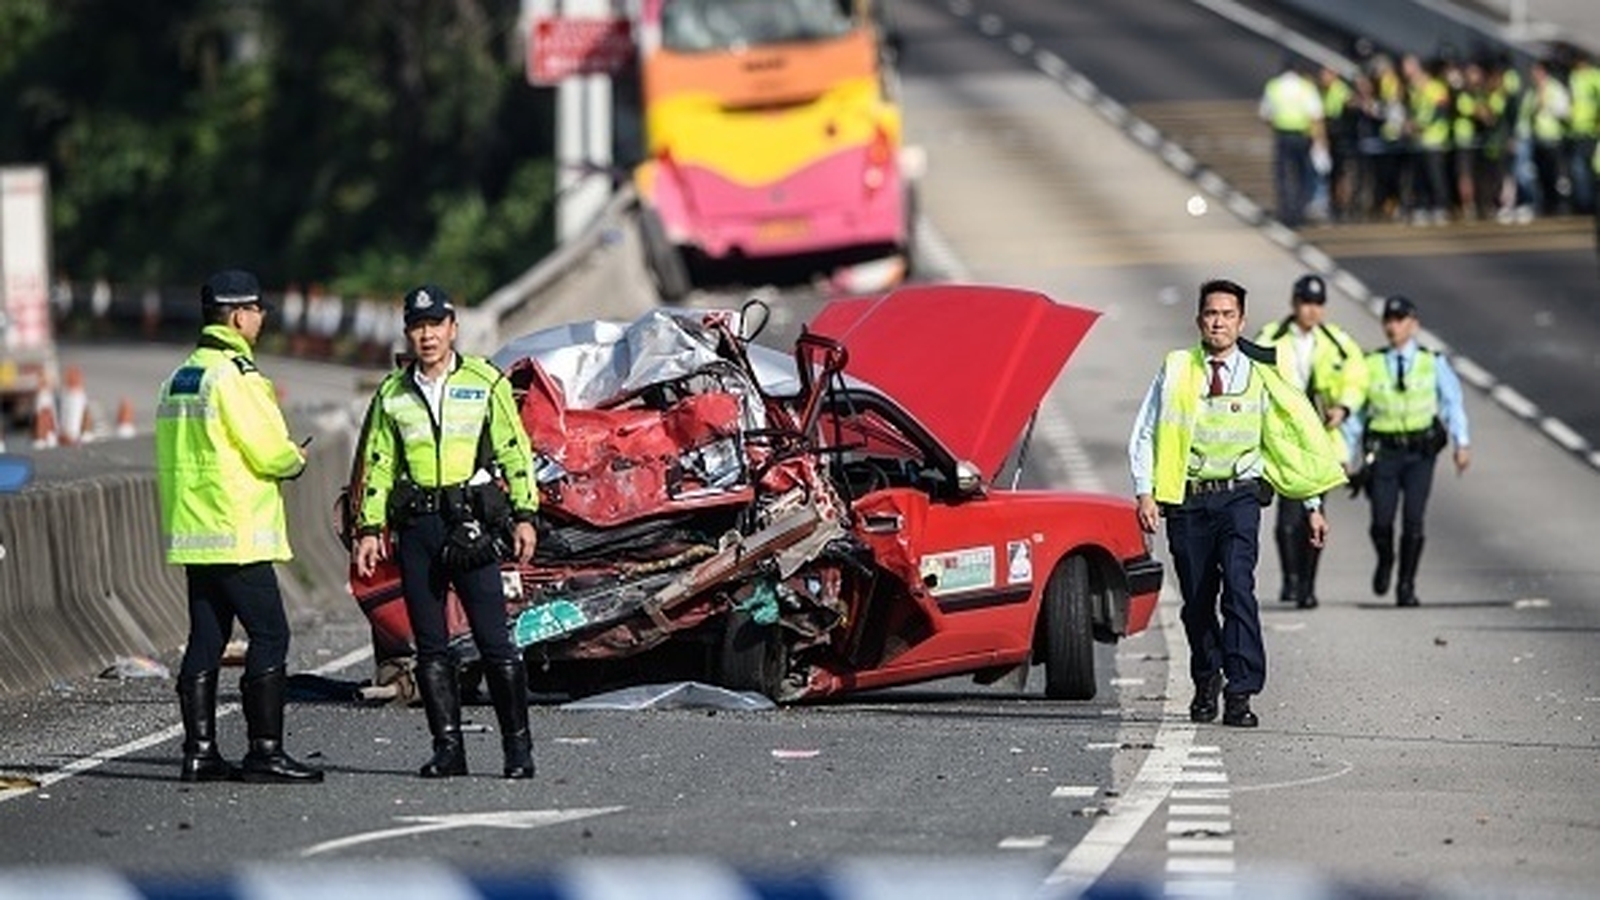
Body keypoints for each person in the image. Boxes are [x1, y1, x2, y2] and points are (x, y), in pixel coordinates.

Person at [1129, 279, 1346, 728]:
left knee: (1239, 588)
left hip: (1240, 497)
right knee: (1197, 599)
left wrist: (1312, 504)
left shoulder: (1261, 372)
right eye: (1211, 314)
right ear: (1199, 320)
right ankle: (1207, 678)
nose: (1219, 322)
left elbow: (1287, 442)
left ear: (1242, 322)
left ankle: (1241, 691)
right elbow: (1147, 430)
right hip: (1188, 500)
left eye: (1228, 315)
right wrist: (1145, 491)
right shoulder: (1177, 368)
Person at [351, 285, 540, 779]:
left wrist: (525, 515)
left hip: (470, 525)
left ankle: (518, 750)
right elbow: (379, 463)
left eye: (435, 324)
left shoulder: (485, 381)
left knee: (495, 641)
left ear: (453, 328)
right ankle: (448, 750)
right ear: (407, 334)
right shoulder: (392, 393)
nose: (427, 335)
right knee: (430, 647)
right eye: (417, 326)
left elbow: (515, 451)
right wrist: (369, 528)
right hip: (418, 529)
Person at [155, 268, 322, 784]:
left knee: (206, 638)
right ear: (237, 316)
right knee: (271, 634)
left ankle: (200, 753)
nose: (261, 318)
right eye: (256, 310)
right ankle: (265, 752)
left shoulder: (180, 377)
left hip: (195, 531)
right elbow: (268, 451)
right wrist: (295, 458)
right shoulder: (236, 376)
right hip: (237, 529)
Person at [1254, 274, 1367, 609]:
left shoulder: (1338, 341)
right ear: (1294, 304)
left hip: (1322, 437)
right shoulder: (1271, 337)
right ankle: (1291, 576)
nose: (1312, 310)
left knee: (1314, 515)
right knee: (1288, 520)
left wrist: (1343, 408)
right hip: (1284, 437)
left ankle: (1307, 584)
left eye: (1318, 303)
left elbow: (1357, 378)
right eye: (1306, 303)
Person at [1351, 296, 1471, 607]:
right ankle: (1386, 559)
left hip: (1419, 452)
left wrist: (1462, 443)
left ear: (1414, 325)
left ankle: (1406, 584)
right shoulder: (1371, 363)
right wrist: (1345, 453)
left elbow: (1452, 403)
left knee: (1414, 519)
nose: (1393, 326)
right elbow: (1357, 412)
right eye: (1388, 320)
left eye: (1400, 320)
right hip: (1384, 451)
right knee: (1381, 520)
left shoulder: (1432, 361)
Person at [1260, 56, 1328, 227]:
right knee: (1302, 174)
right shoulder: (1306, 87)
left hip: (1282, 135)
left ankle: (1285, 211)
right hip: (1302, 136)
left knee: (1282, 174)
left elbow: (1265, 115)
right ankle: (1299, 211)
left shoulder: (1273, 86)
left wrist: (1277, 124)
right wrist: (1320, 141)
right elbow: (1316, 116)